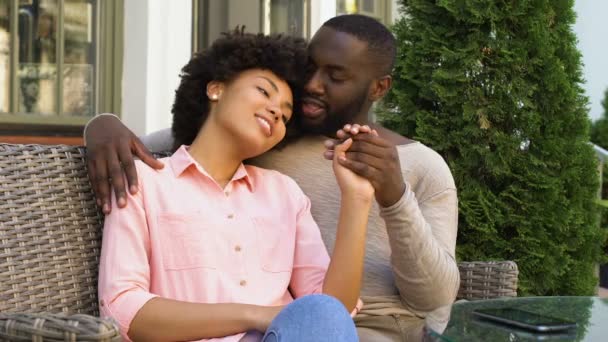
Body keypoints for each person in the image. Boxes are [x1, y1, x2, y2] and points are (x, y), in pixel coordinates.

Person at [86, 15, 460, 340]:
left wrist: (382, 196)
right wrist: (101, 124)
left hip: (344, 331)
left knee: (324, 317)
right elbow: (183, 134)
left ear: (378, 87)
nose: (311, 85)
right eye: (308, 70)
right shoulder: (158, 176)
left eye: (335, 76)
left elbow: (416, 299)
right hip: (285, 329)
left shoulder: (414, 167)